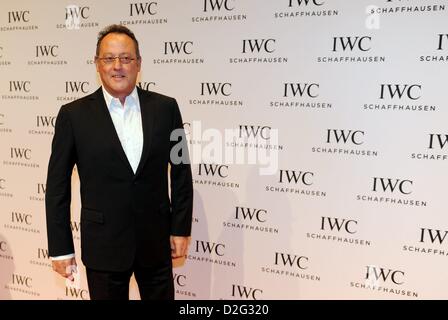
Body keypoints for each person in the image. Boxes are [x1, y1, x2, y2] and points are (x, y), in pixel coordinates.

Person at [45, 24, 193, 300]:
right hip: (104, 246)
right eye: (109, 59)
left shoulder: (166, 108)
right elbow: (57, 187)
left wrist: (180, 229)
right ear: (97, 64)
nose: (117, 66)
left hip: (156, 242)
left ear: (138, 64)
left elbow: (181, 172)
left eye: (126, 58)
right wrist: (60, 248)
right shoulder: (73, 115)